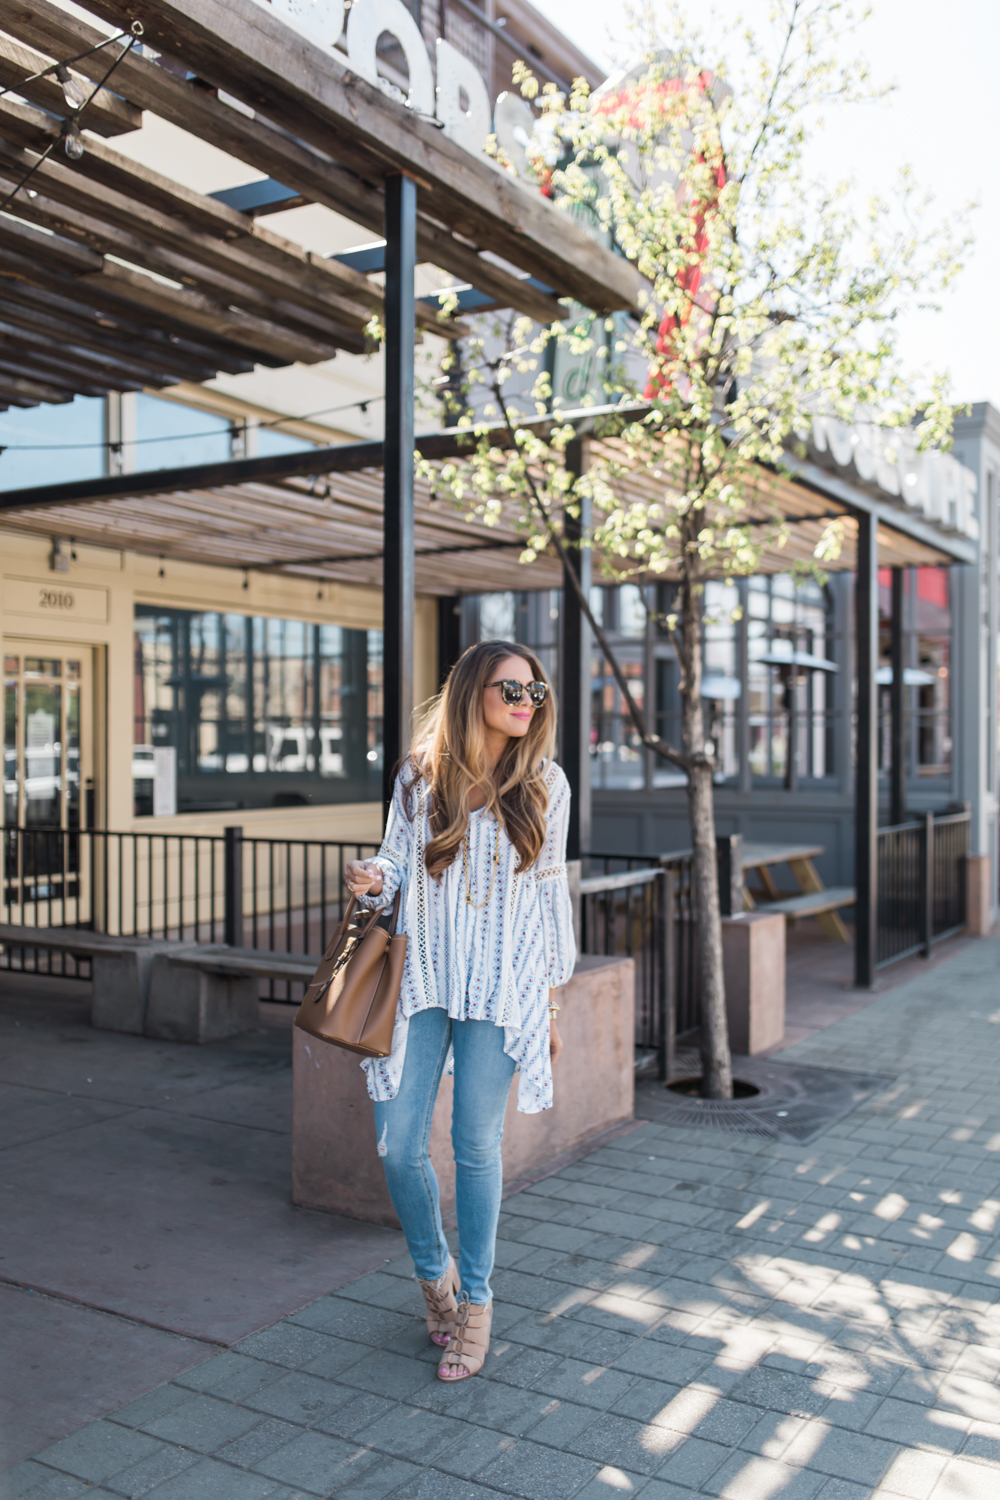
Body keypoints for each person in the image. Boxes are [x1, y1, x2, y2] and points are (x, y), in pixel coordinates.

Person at [344, 639, 576, 1382]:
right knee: (398, 1144)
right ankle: (432, 1277)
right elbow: (395, 863)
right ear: (473, 690)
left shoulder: (546, 784)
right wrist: (371, 876)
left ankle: (474, 1304)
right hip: (422, 979)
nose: (525, 702)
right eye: (512, 688)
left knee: (476, 1148)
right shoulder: (420, 777)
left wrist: (547, 1003)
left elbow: (547, 899)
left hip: (503, 990)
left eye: (535, 693)